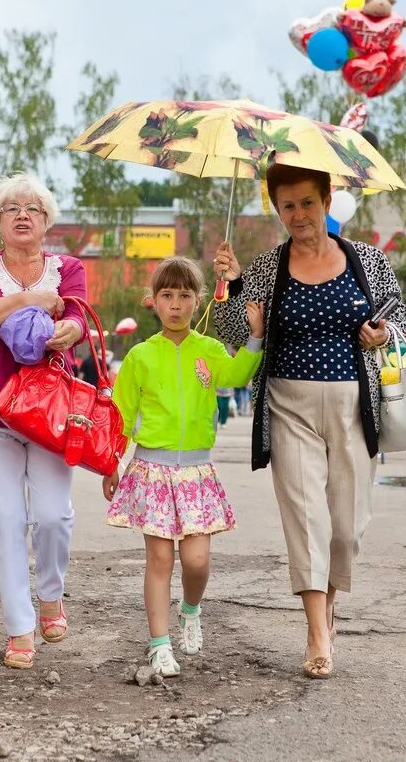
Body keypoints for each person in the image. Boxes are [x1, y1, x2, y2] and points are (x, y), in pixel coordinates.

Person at [212, 162, 406, 680]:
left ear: (326, 199)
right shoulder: (265, 267)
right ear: (278, 210)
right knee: (305, 517)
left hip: (353, 404)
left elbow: (398, 310)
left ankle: (329, 602)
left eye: (307, 202)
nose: (298, 214)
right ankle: (316, 630)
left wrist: (381, 331)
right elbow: (233, 333)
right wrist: (231, 287)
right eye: (287, 206)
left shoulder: (366, 259)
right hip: (287, 404)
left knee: (345, 527)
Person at [0, 172, 88, 671]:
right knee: (6, 520)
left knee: (53, 515)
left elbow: (76, 316)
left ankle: (51, 596)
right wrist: (28, 300)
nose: (23, 214)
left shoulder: (68, 266)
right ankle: (19, 628)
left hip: (52, 409)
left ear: (47, 219)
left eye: (32, 207)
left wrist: (67, 330)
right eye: (11, 208)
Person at [103, 257, 264, 677]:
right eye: (167, 296)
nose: (176, 305)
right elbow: (120, 414)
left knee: (196, 561)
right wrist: (109, 463)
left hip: (195, 473)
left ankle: (190, 608)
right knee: (159, 561)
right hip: (151, 472)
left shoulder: (209, 351)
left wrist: (256, 338)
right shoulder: (140, 356)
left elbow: (237, 375)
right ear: (152, 301)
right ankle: (159, 645)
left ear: (199, 300)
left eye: (185, 296)